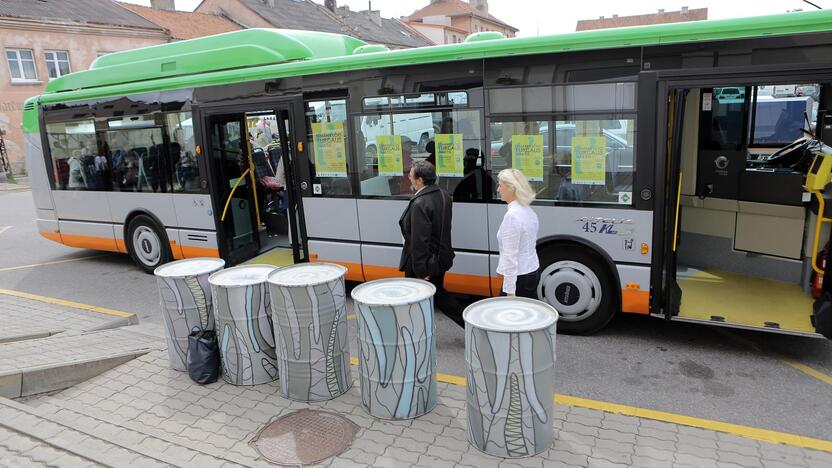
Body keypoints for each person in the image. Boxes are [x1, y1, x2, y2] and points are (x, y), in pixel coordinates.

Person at [399, 160, 464, 326]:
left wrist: (422, 271)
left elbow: (420, 240)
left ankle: (470, 324)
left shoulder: (420, 203)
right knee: (434, 296)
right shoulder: (443, 194)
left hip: (423, 263)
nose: (409, 177)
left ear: (420, 180)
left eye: (411, 175)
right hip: (440, 257)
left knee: (433, 297)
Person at [496, 168, 540, 298]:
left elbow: (510, 256)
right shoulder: (528, 210)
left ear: (511, 188)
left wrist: (510, 292)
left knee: (509, 315)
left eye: (500, 185)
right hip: (532, 270)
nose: (498, 189)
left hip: (519, 277)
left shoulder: (512, 216)